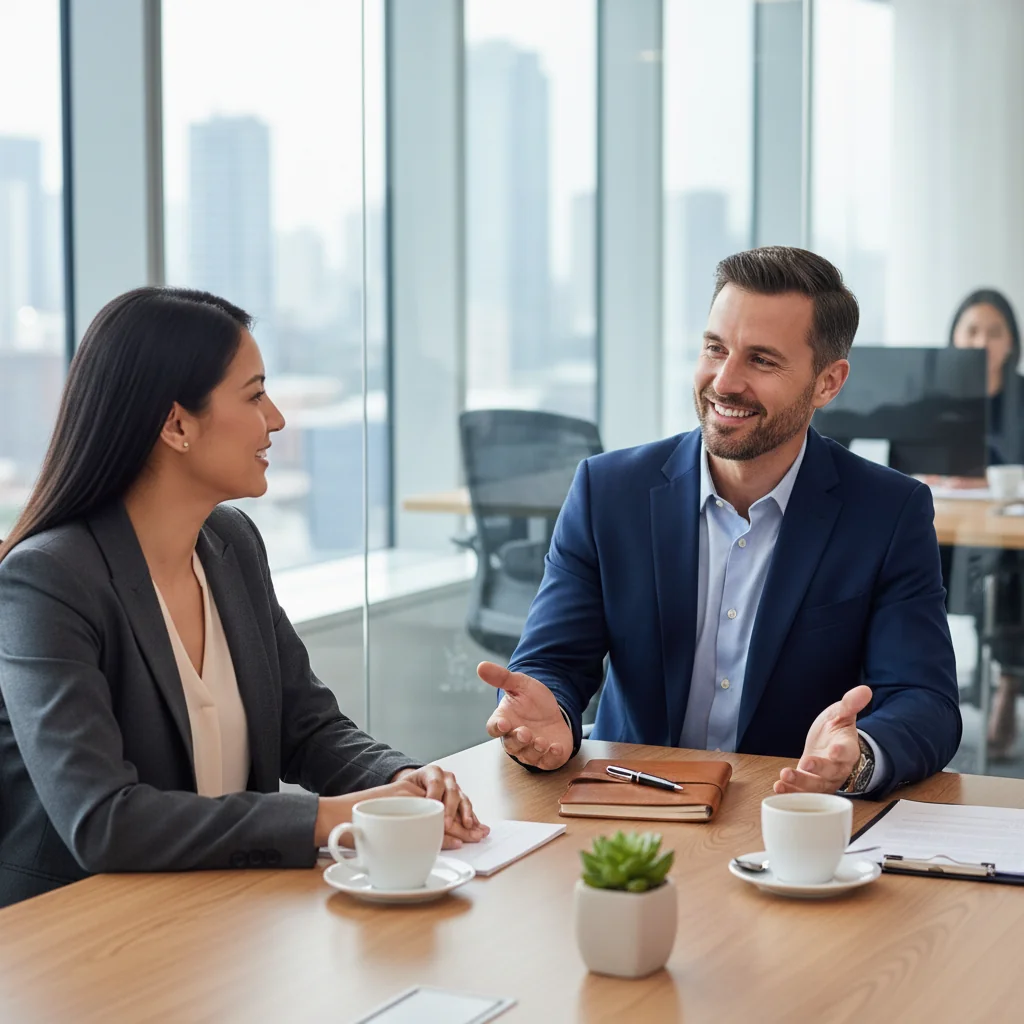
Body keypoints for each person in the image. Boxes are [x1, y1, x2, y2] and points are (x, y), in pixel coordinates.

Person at [0, 287, 487, 908]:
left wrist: (396, 780)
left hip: (221, 913)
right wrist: (330, 818)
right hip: (80, 934)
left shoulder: (230, 543)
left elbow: (305, 726)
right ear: (176, 423)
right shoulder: (48, 580)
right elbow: (102, 821)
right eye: (255, 395)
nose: (277, 418)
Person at [479, 246, 962, 797]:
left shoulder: (888, 512)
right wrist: (550, 715)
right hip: (630, 806)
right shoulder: (608, 491)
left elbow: (926, 701)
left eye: (761, 359)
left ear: (828, 383)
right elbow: (551, 662)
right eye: (715, 349)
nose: (725, 381)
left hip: (785, 812)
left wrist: (858, 754)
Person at [945, 289, 1024, 757]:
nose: (982, 341)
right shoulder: (933, 401)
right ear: (954, 339)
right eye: (972, 330)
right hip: (946, 530)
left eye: (994, 332)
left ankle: (1007, 683)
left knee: (1007, 571)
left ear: (1011, 342)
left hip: (1007, 535)